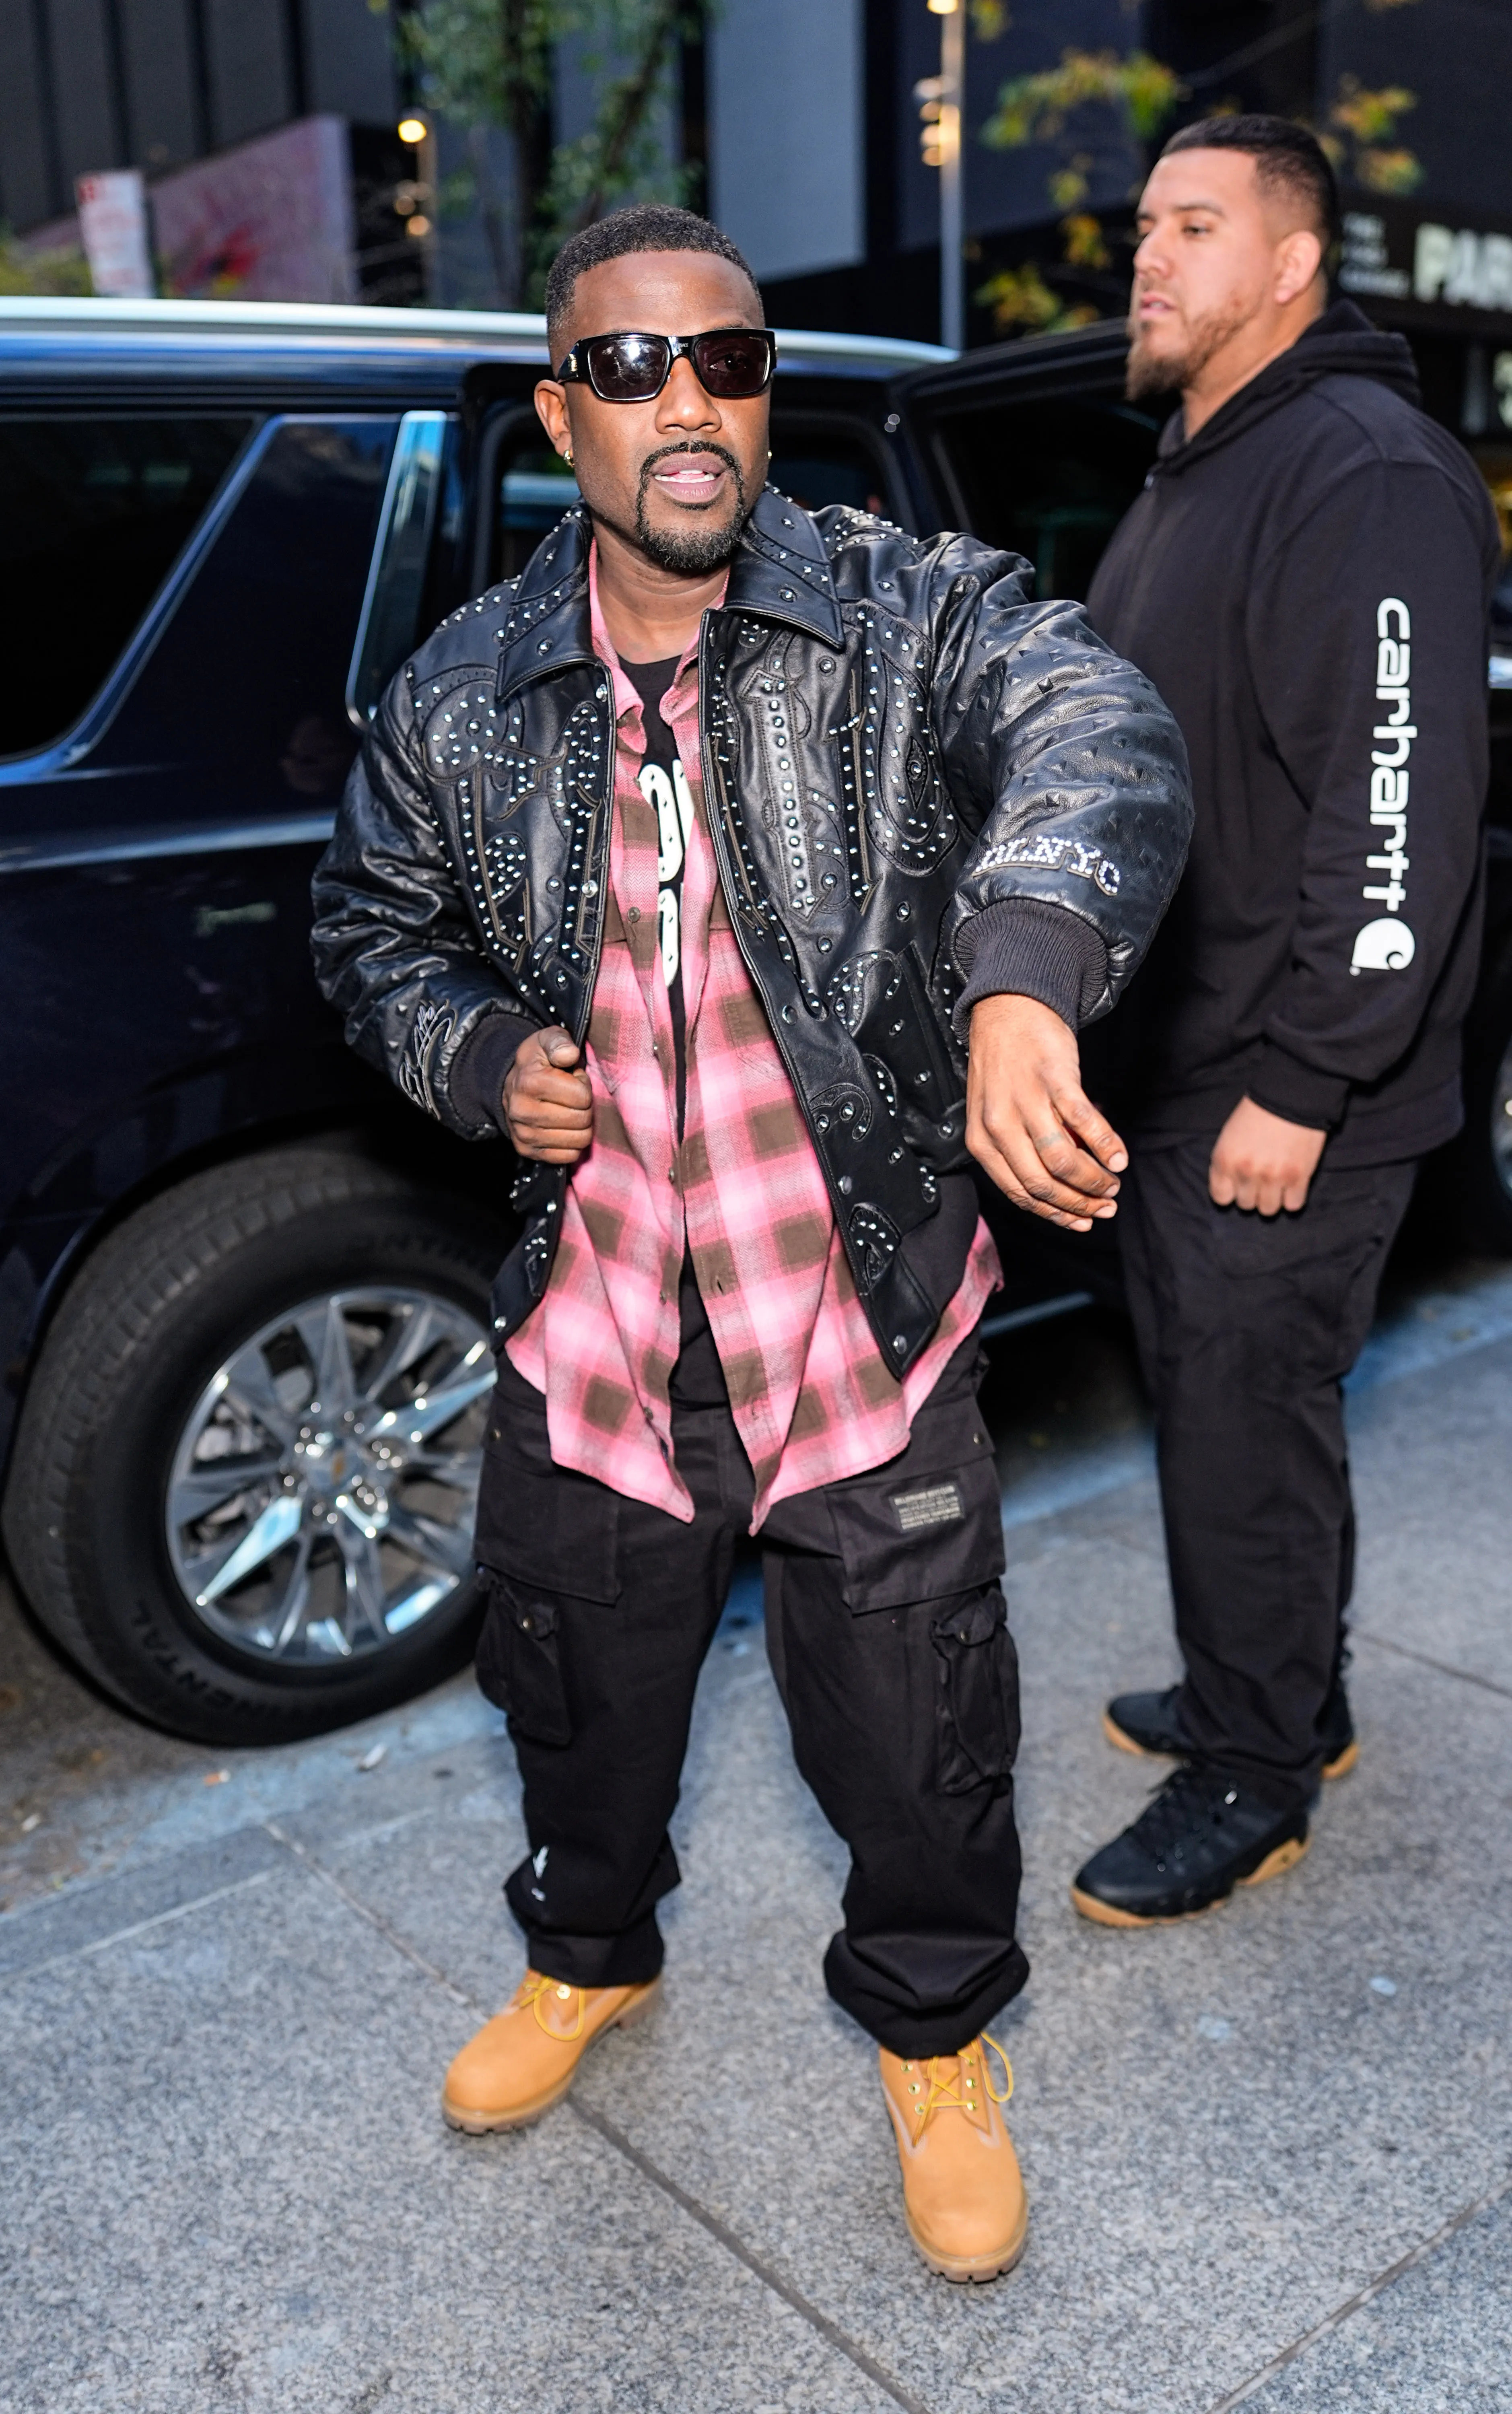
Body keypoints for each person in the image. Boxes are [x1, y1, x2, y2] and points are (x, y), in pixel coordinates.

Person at [311, 204, 1190, 2278]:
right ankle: (589, 1957)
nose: (686, 403)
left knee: (921, 1745)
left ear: (766, 392)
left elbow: (1100, 725)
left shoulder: (900, 614)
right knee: (577, 1715)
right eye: (630, 369)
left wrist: (1025, 973)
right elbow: (365, 932)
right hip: (600, 1342)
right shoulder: (459, 695)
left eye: (730, 358)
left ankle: (934, 2029)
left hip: (857, 1325)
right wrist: (469, 1049)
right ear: (560, 414)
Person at [1073, 117, 1500, 1928]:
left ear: (1292, 262)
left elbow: (1396, 806)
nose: (1146, 259)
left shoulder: (1363, 471)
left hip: (1286, 1084)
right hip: (1190, 1070)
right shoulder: (1197, 466)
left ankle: (1252, 1766)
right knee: (1234, 1417)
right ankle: (1285, 1689)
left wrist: (1311, 1075)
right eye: (1143, 227)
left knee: (1246, 1419)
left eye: (1193, 226)